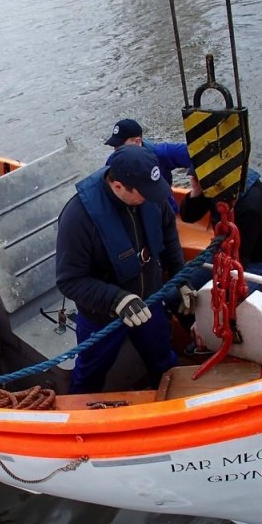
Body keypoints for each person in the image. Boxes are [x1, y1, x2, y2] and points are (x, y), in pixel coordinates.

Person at [56, 146, 190, 394]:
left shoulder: (152, 196)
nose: (151, 198)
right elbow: (69, 280)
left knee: (163, 359)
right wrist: (117, 299)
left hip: (149, 301)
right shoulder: (78, 218)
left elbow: (169, 234)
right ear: (118, 187)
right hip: (103, 317)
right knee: (89, 375)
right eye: (144, 194)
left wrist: (180, 276)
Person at [179, 166, 262, 295]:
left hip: (261, 262)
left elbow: (239, 258)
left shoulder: (251, 205)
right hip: (223, 251)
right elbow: (188, 217)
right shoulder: (212, 185)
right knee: (176, 292)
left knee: (229, 298)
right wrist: (196, 192)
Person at [104, 118, 192, 213]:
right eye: (114, 146)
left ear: (137, 141)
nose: (115, 149)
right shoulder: (113, 161)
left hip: (165, 212)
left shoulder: (161, 153)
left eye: (120, 145)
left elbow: (197, 154)